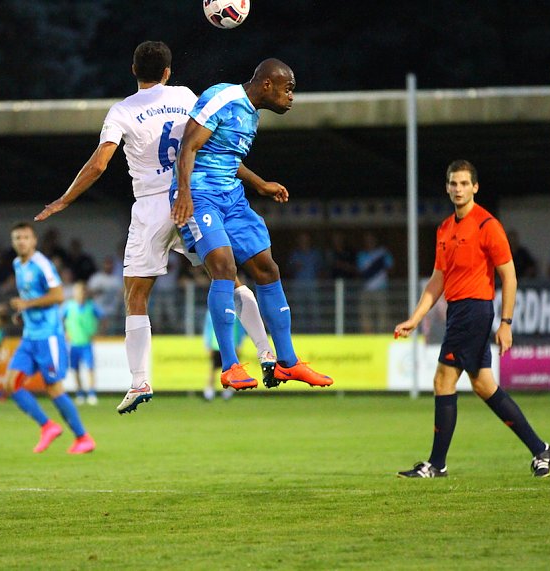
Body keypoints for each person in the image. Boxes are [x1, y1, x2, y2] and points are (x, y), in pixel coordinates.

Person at [35, 41, 277, 415]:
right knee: (229, 279)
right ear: (167, 71)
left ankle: (140, 381)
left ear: (134, 70)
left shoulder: (121, 111)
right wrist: (257, 182)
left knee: (136, 295)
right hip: (192, 195)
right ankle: (265, 353)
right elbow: (209, 146)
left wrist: (64, 200)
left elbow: (99, 165)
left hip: (151, 206)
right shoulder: (184, 95)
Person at [170, 58, 333, 391]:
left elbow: (226, 158)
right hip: (200, 194)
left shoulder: (251, 115)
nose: (292, 97)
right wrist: (184, 193)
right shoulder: (223, 97)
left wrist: (259, 183)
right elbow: (189, 145)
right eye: (288, 90)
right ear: (267, 84)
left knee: (267, 269)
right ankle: (230, 365)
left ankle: (287, 362)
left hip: (232, 196)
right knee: (224, 267)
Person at [395, 160, 550, 478]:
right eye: (453, 184)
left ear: (475, 187)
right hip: (458, 310)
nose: (458, 189)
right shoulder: (444, 229)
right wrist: (415, 318)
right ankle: (542, 450)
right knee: (484, 385)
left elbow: (509, 277)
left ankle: (436, 465)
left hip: (475, 310)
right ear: (447, 187)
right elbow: (437, 280)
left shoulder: (487, 226)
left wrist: (506, 323)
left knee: (444, 380)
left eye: (464, 184)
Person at [4, 222, 95, 454]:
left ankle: (83, 437)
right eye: (17, 238)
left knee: (53, 388)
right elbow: (33, 297)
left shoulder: (42, 265)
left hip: (49, 336)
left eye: (25, 237)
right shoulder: (18, 264)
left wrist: (27, 304)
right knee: (11, 384)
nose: (21, 241)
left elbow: (57, 295)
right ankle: (48, 426)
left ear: (34, 240)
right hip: (30, 336)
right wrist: (23, 313)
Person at [62, 281, 103, 405]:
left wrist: (99, 331)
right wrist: (65, 332)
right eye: (77, 292)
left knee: (90, 368)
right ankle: (79, 393)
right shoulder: (68, 306)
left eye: (81, 292)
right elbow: (59, 319)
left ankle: (91, 393)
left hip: (86, 343)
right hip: (74, 344)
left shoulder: (91, 306)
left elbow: (103, 317)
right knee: (75, 369)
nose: (79, 294)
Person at [202, 310, 246, 401]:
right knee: (213, 369)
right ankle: (210, 390)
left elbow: (240, 328)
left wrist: (239, 343)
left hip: (232, 345)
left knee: (231, 369)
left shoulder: (236, 311)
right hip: (216, 345)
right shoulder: (212, 311)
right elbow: (208, 328)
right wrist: (207, 344)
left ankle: (228, 390)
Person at [357, 231, 393, 333]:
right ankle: (368, 337)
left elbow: (390, 268)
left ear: (375, 240)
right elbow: (360, 271)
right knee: (365, 315)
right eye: (367, 240)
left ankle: (382, 335)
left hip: (381, 289)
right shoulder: (361, 255)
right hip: (366, 289)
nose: (370, 242)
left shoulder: (383, 252)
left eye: (371, 239)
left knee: (383, 315)